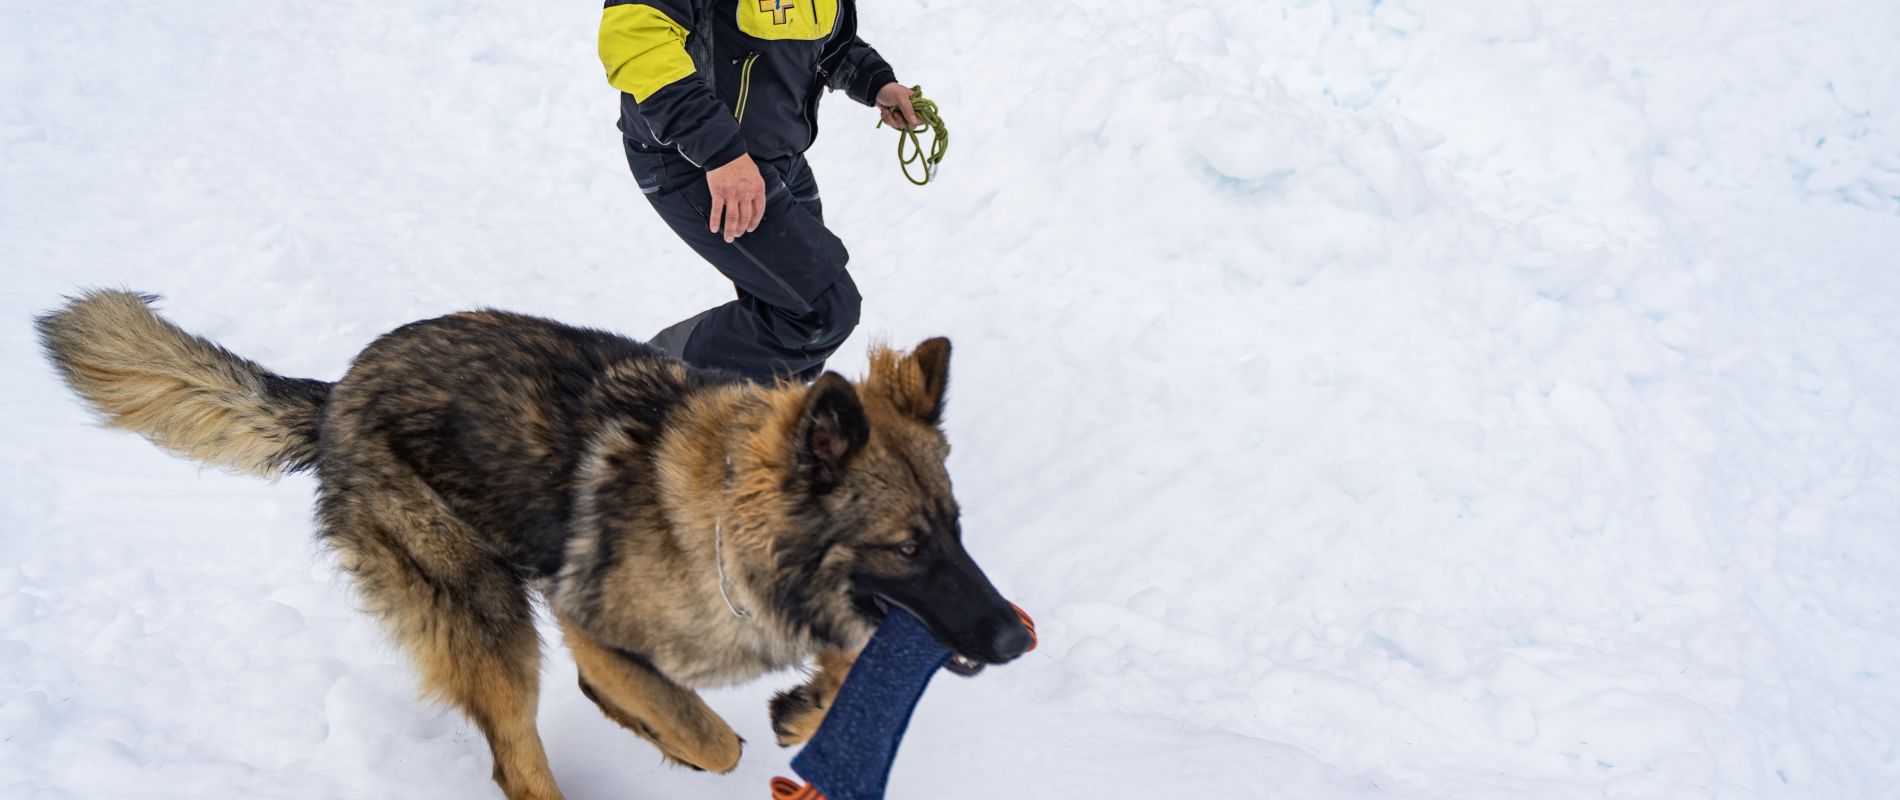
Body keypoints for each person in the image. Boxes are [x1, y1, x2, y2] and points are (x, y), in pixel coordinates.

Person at [599, 0, 921, 381]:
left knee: (791, 337)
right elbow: (636, 39)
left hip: (774, 153)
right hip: (694, 158)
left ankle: (753, 430)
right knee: (818, 312)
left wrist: (874, 80)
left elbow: (810, 35)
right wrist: (720, 152)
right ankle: (638, 381)